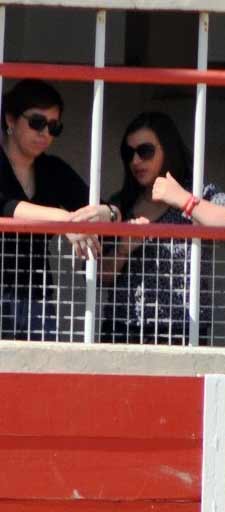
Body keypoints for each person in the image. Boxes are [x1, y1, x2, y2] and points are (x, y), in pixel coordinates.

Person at [99, 111, 225, 344]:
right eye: (128, 153)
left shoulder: (198, 194)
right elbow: (97, 276)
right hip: (124, 329)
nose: (136, 161)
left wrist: (185, 201)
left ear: (167, 149)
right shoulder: (120, 204)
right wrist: (122, 250)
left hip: (183, 330)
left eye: (145, 151)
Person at [0, 78, 107, 340]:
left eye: (53, 127)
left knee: (35, 378)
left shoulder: (52, 169)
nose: (45, 133)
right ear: (11, 120)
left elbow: (96, 204)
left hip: (35, 296)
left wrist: (108, 213)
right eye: (37, 122)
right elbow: (7, 206)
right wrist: (67, 222)